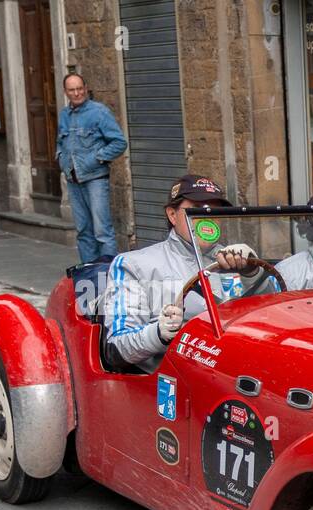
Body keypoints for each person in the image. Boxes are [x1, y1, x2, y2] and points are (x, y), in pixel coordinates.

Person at [101, 175, 261, 373]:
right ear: (172, 215)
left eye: (214, 211)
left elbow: (268, 317)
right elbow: (116, 347)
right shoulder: (134, 265)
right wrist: (160, 333)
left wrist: (252, 272)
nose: (207, 217)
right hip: (173, 377)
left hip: (236, 369)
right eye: (196, 210)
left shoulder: (235, 258)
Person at [56, 73, 128, 263]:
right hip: (73, 180)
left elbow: (119, 142)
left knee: (102, 231)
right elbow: (60, 143)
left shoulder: (99, 112)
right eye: (72, 90)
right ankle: (89, 273)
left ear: (85, 88)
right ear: (66, 92)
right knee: (83, 231)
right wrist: (61, 159)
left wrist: (97, 158)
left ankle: (110, 275)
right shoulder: (64, 115)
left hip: (95, 178)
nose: (77, 93)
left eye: (80, 88)